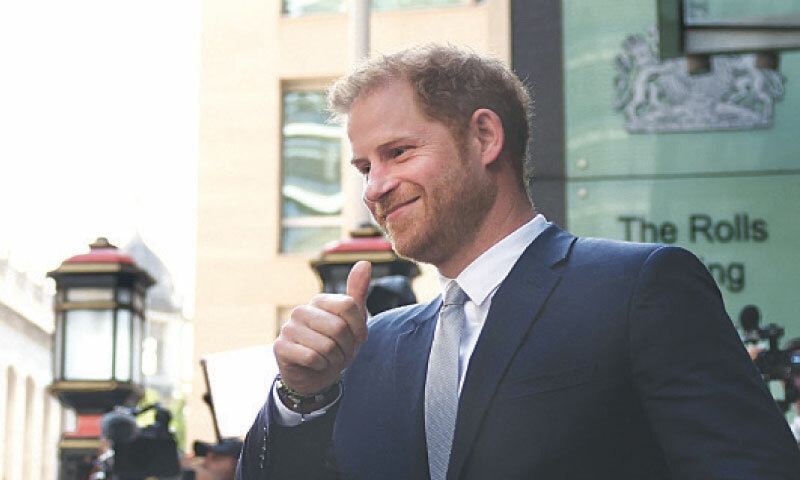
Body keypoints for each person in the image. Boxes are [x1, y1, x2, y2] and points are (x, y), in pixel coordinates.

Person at [237, 44, 800, 479]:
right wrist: (300, 397)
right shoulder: (366, 349)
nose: (374, 189)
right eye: (364, 168)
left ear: (484, 137)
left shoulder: (639, 289)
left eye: (398, 152)